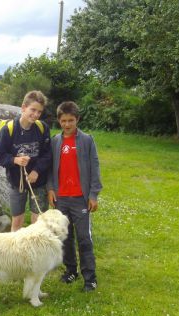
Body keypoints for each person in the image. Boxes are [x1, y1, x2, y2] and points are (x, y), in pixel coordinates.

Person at [47, 101, 102, 292]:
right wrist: (51, 189)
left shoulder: (87, 140)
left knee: (84, 238)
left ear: (77, 119)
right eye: (63, 121)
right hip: (61, 198)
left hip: (80, 198)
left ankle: (90, 278)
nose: (67, 124)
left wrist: (93, 194)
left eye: (71, 120)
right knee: (65, 237)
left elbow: (95, 167)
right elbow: (50, 169)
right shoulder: (55, 142)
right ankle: (71, 270)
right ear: (59, 121)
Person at [0, 90, 52, 231]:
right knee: (17, 221)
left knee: (38, 223)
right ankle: (16, 250)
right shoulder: (8, 130)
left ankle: (35, 251)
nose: (36, 115)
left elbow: (48, 154)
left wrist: (36, 171)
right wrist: (15, 160)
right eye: (33, 110)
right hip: (16, 182)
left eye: (39, 112)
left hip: (38, 182)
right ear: (23, 107)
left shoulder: (42, 128)